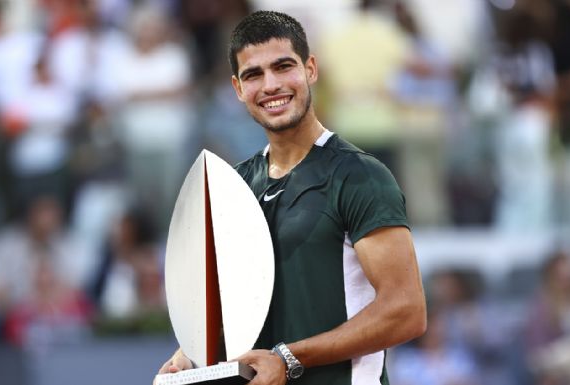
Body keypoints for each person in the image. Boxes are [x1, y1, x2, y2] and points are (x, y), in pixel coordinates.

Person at [155, 10, 427, 385]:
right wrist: (188, 357)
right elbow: (230, 310)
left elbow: (406, 310)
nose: (270, 85)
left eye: (283, 67)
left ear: (311, 69)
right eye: (253, 74)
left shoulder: (360, 176)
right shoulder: (235, 184)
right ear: (237, 88)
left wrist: (289, 358)